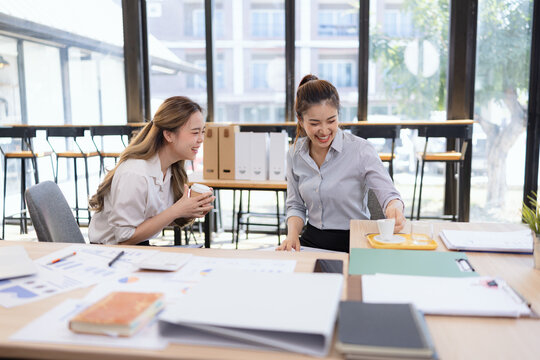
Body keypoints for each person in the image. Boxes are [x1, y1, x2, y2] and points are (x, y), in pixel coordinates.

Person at [277, 75, 405, 252]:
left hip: (354, 242)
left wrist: (394, 208)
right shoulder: (294, 154)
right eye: (314, 123)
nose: (324, 131)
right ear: (300, 120)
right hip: (312, 242)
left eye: (331, 121)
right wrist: (291, 236)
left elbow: (390, 195)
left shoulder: (360, 150)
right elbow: (296, 206)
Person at [88, 96, 214, 245]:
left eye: (202, 132)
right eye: (195, 132)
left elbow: (155, 219)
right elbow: (124, 238)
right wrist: (176, 210)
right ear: (168, 135)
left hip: (137, 247)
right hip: (109, 253)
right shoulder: (135, 173)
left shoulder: (171, 169)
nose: (201, 139)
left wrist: (189, 211)